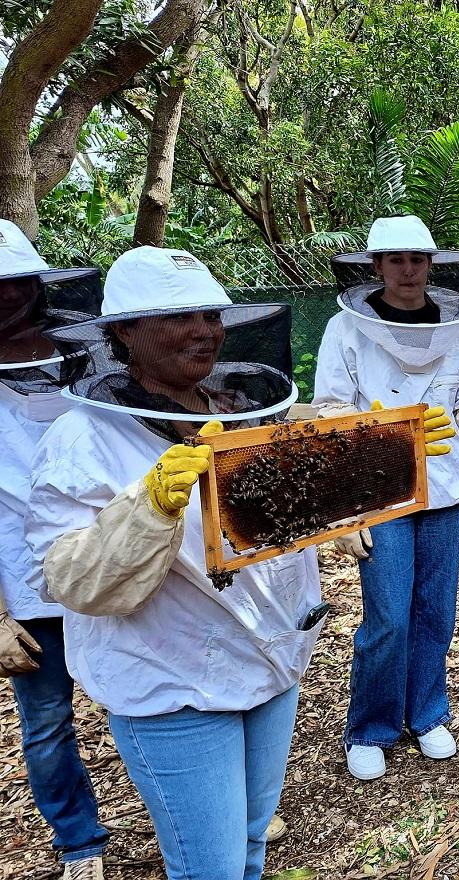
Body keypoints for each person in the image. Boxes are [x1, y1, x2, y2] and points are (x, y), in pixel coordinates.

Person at [25, 246, 322, 880]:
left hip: (269, 658)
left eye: (211, 315)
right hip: (173, 682)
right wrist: (148, 507)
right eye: (178, 317)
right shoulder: (82, 439)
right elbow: (70, 576)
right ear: (123, 333)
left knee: (248, 844)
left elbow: (283, 524)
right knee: (208, 867)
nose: (204, 331)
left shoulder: (238, 409)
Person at [315, 215, 459, 780]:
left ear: (431, 266)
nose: (407, 270)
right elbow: (333, 413)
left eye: (416, 259)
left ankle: (428, 713)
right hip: (377, 491)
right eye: (395, 260)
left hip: (442, 488)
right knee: (388, 614)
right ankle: (371, 726)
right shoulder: (344, 330)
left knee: (435, 610)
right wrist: (344, 503)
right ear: (376, 268)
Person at [0, 220, 109, 879]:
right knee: (45, 725)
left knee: (149, 700)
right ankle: (79, 843)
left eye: (16, 281)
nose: (7, 295)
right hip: (27, 580)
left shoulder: (92, 354)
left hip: (112, 562)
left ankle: (196, 801)